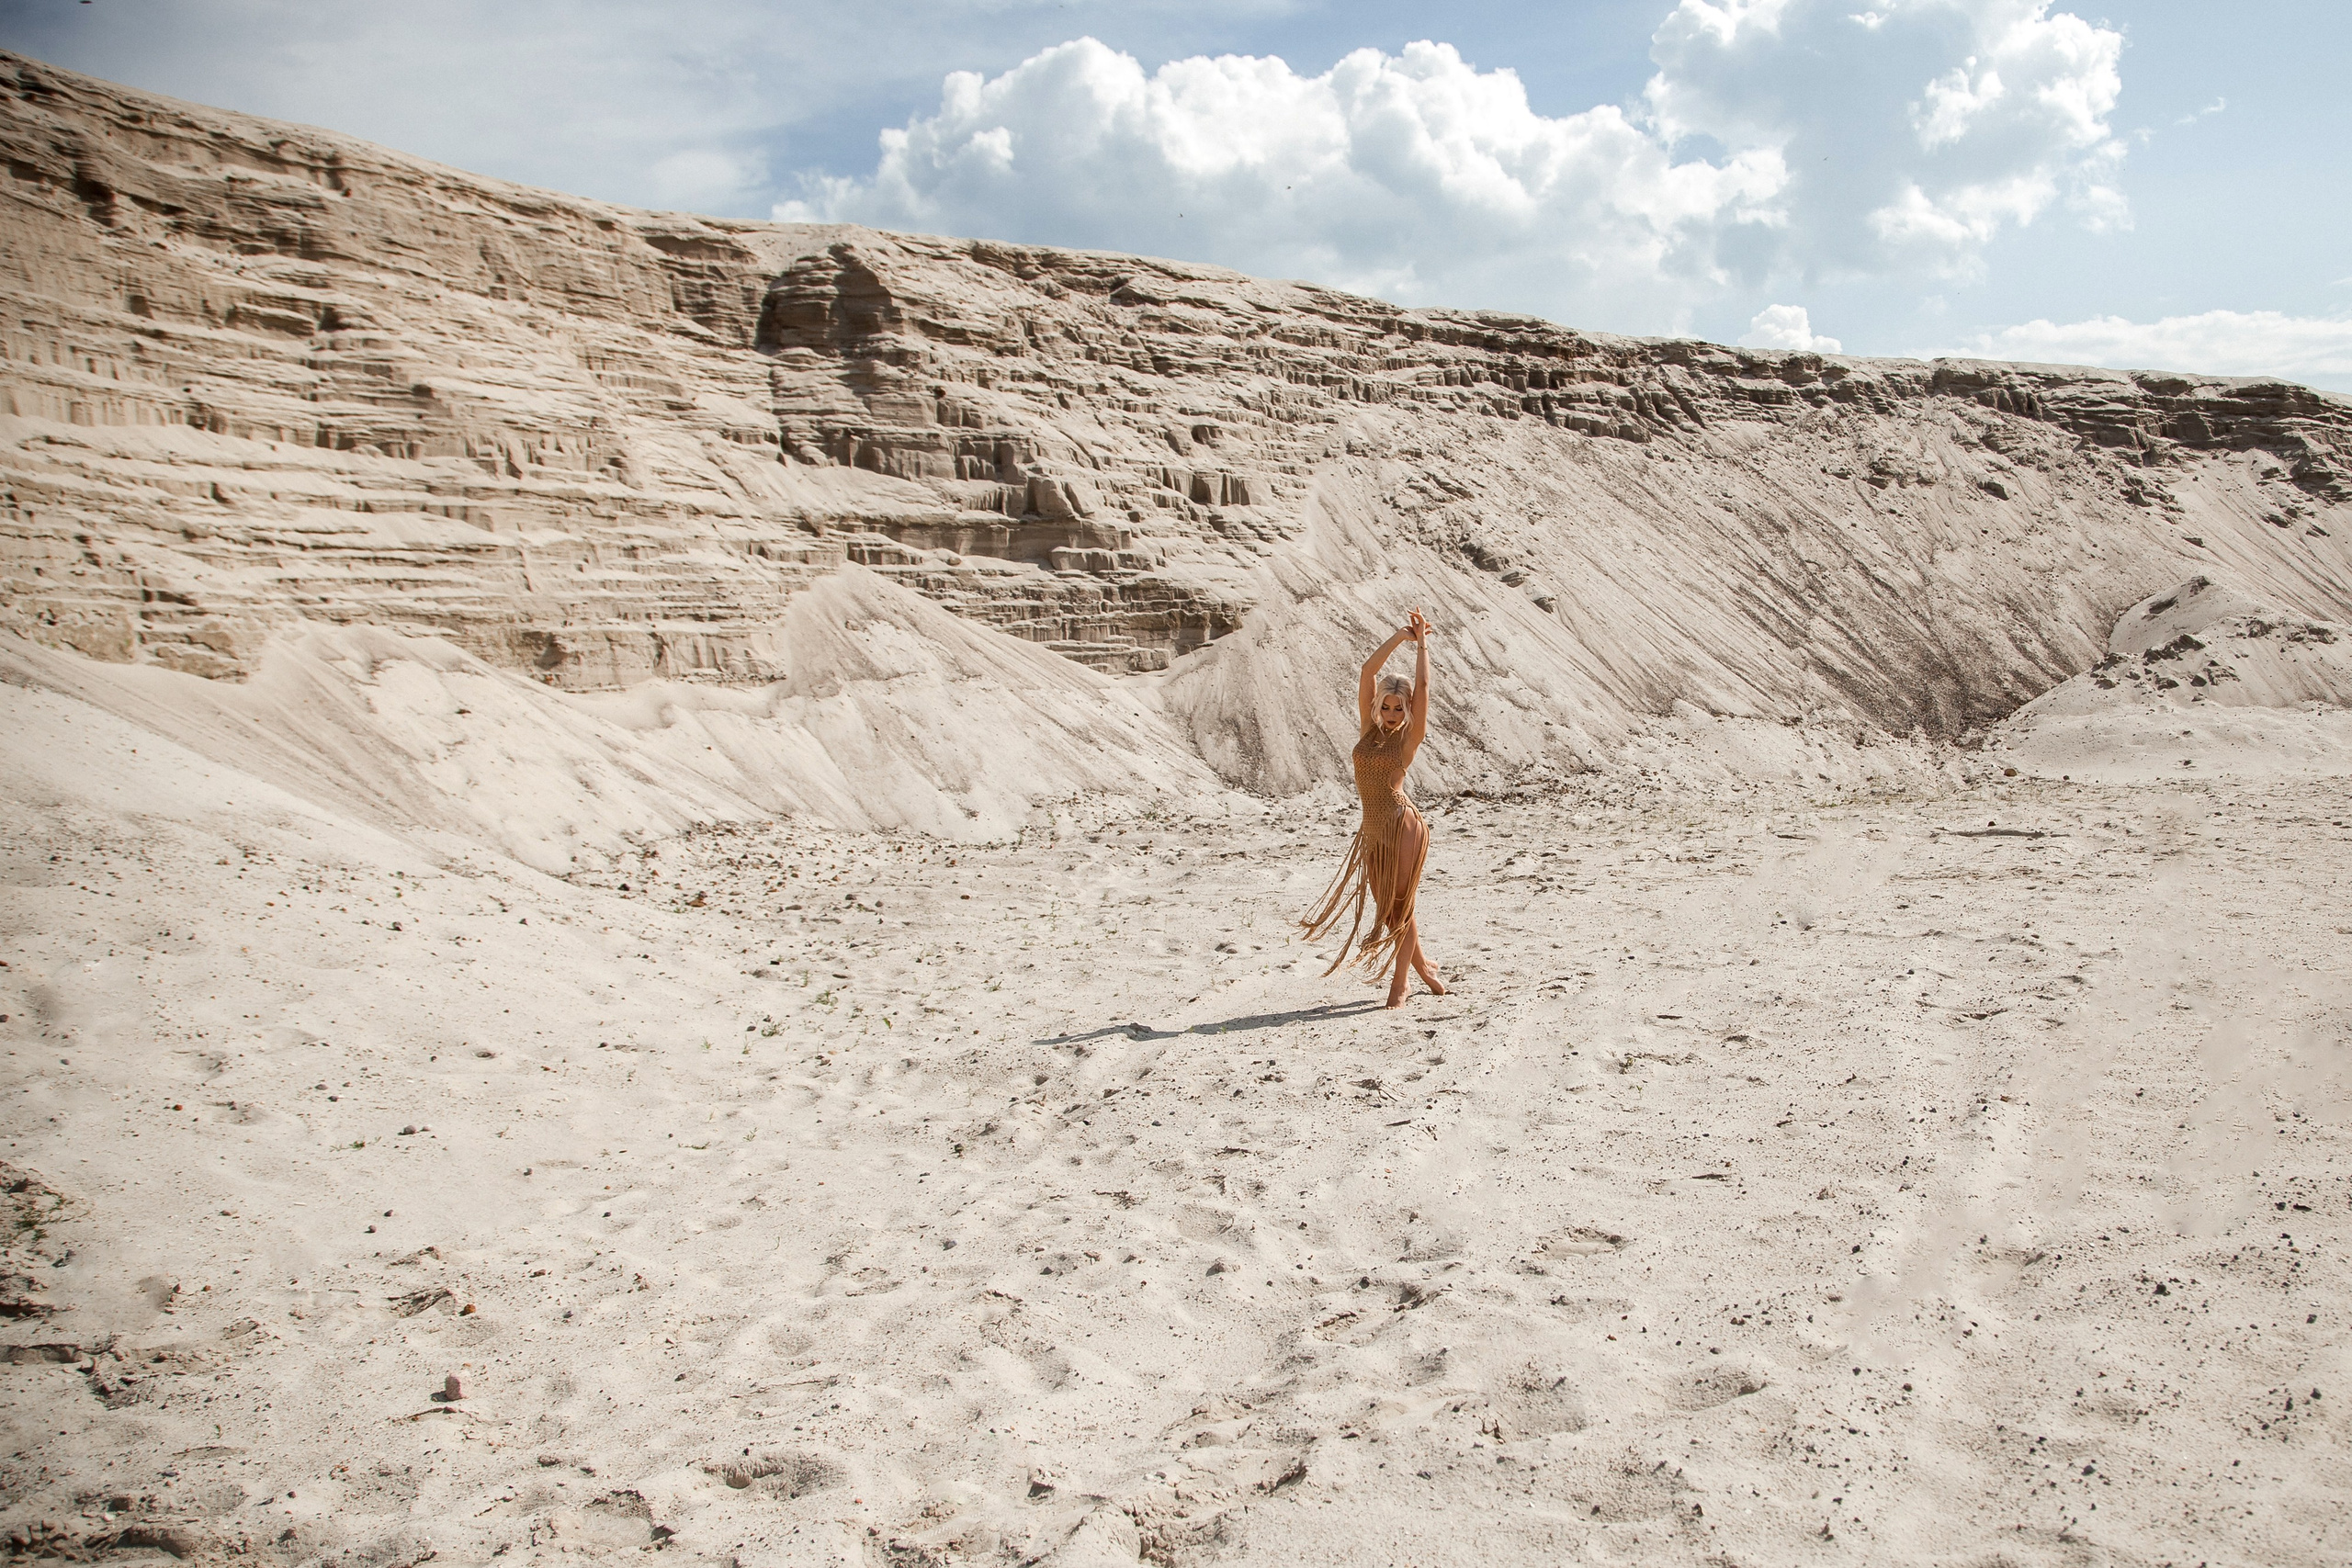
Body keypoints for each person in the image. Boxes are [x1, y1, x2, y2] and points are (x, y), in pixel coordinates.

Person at [1302, 608, 1445, 1008]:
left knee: (1402, 904)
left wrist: (1423, 646)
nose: (1392, 714)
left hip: (1403, 824)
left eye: (1399, 708)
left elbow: (1423, 687)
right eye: (1387, 706)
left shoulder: (1408, 739)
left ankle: (1401, 983)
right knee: (1388, 910)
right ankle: (1423, 967)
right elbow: (1367, 673)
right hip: (1372, 826)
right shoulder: (1368, 731)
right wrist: (1402, 637)